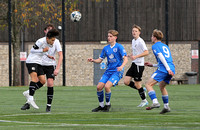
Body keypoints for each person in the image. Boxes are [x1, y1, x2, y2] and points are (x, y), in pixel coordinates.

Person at [88, 30, 128, 112]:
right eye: (108, 36)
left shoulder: (119, 47)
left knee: (107, 86)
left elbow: (126, 59)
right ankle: (101, 106)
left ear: (115, 37)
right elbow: (100, 60)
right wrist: (93, 60)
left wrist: (121, 66)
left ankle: (108, 104)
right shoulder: (106, 48)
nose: (108, 38)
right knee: (99, 87)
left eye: (110, 36)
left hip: (117, 72)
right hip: (108, 71)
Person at [21, 28, 60, 110]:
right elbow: (32, 50)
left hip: (38, 62)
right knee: (34, 79)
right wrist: (43, 50)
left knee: (42, 81)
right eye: (52, 40)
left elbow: (42, 52)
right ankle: (30, 98)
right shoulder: (40, 41)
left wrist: (47, 55)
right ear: (47, 38)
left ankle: (28, 92)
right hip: (31, 61)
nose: (53, 42)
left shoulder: (48, 43)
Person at [144, 29, 175, 114]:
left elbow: (161, 56)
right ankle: (166, 106)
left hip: (165, 69)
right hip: (171, 68)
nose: (151, 38)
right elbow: (166, 60)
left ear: (154, 37)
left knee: (148, 84)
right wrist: (153, 65)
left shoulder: (155, 46)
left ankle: (155, 102)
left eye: (152, 36)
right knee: (162, 86)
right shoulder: (165, 46)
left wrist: (167, 69)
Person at [124, 24, 149, 107]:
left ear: (139, 33)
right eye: (133, 31)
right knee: (126, 81)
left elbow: (146, 52)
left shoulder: (140, 41)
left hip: (139, 65)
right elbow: (136, 52)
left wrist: (136, 56)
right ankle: (142, 89)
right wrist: (130, 55)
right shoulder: (133, 41)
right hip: (134, 64)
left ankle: (144, 100)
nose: (134, 32)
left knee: (137, 84)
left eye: (136, 31)